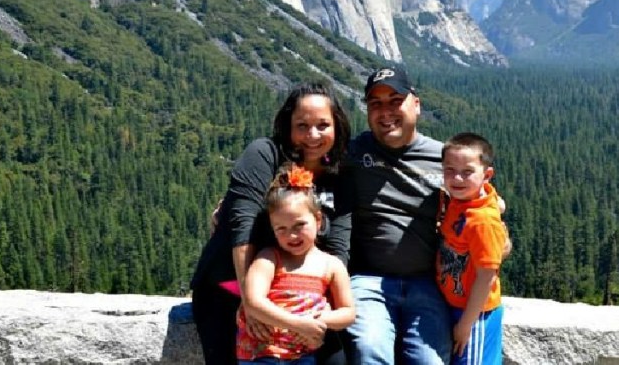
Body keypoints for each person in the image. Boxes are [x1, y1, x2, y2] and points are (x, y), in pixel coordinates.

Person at [191, 82, 352, 365]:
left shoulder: (340, 178)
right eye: (302, 125)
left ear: (336, 127)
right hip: (232, 285)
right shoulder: (264, 154)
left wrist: (320, 312)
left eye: (323, 125)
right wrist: (251, 304)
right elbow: (242, 227)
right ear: (287, 127)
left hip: (303, 297)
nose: (312, 135)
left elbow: (339, 246)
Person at [341, 66, 454, 364]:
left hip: (427, 285)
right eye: (375, 104)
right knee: (369, 349)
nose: (385, 111)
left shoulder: (445, 159)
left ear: (416, 104)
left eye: (395, 100)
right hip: (368, 282)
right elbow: (303, 168)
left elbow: (481, 208)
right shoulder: (352, 152)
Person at [238, 164, 356, 364]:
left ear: (318, 220)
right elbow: (253, 302)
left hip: (303, 355)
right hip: (262, 354)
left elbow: (348, 312)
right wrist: (299, 325)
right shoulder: (269, 259)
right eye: (281, 228)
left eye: (299, 225)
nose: (291, 235)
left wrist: (320, 321)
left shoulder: (332, 265)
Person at [436, 133, 505, 365]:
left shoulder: (483, 221)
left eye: (467, 172)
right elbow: (495, 200)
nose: (457, 178)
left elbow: (486, 276)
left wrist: (466, 325)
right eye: (449, 170)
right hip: (456, 304)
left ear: (486, 175)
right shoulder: (463, 199)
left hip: (475, 314)